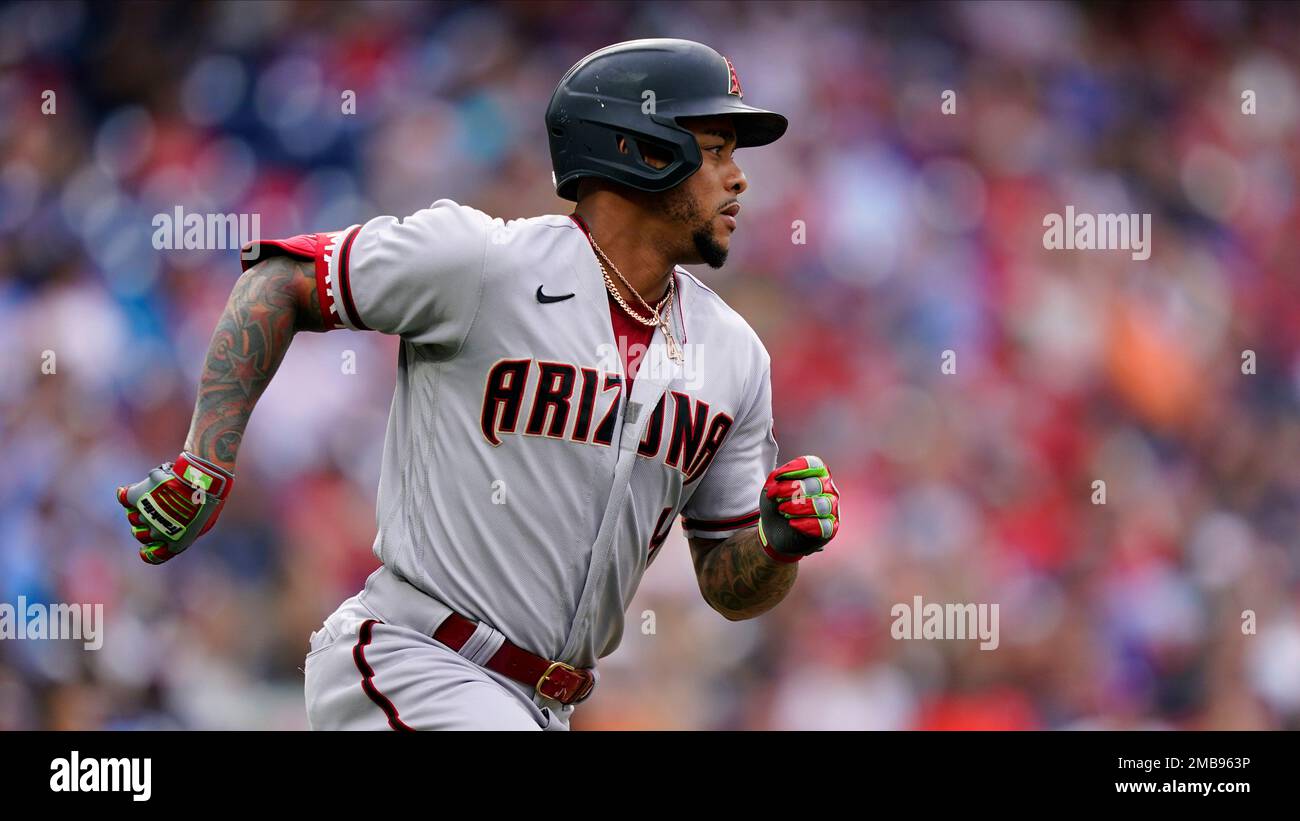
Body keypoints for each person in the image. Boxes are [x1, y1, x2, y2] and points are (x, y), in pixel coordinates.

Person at [115, 38, 841, 730]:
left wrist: (777, 543)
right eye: (713, 150)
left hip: (544, 703)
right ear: (639, 148)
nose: (738, 176)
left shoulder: (734, 356)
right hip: (415, 659)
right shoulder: (483, 262)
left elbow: (726, 580)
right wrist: (204, 461)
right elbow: (279, 281)